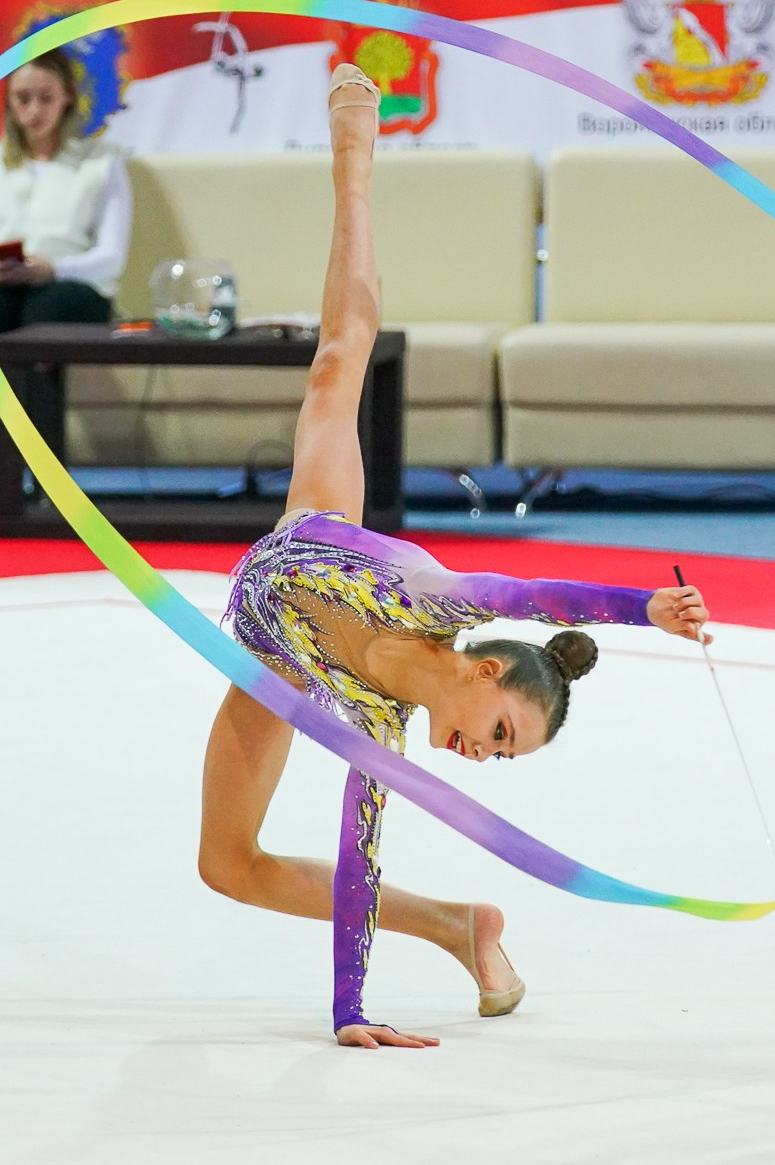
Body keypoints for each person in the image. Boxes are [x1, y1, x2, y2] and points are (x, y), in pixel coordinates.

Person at [197, 63, 714, 1049]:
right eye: (503, 733)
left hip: (275, 657)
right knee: (340, 354)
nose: (485, 757)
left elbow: (362, 862)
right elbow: (538, 589)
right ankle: (355, 159)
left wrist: (351, 1011)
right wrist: (645, 607)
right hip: (321, 535)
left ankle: (457, 924)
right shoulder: (440, 601)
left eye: (498, 754)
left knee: (228, 863)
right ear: (485, 671)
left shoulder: (381, 731)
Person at [0, 49, 133, 499]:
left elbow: (111, 257)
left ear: (67, 98)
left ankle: (45, 469)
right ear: (8, 102)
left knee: (47, 311)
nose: (33, 111)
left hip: (72, 285)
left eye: (44, 98)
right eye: (22, 98)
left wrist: (54, 268)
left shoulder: (102, 162)